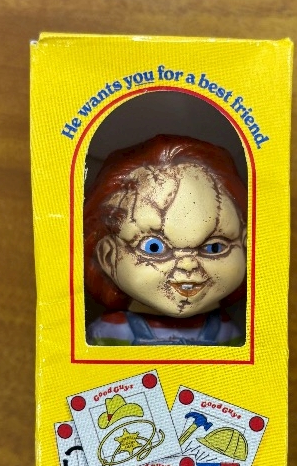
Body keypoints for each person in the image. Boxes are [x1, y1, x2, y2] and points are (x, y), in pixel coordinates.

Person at [84, 134, 247, 346]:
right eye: (154, 247)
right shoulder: (113, 330)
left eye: (214, 247)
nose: (188, 265)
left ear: (245, 245)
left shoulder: (224, 331)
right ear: (108, 256)